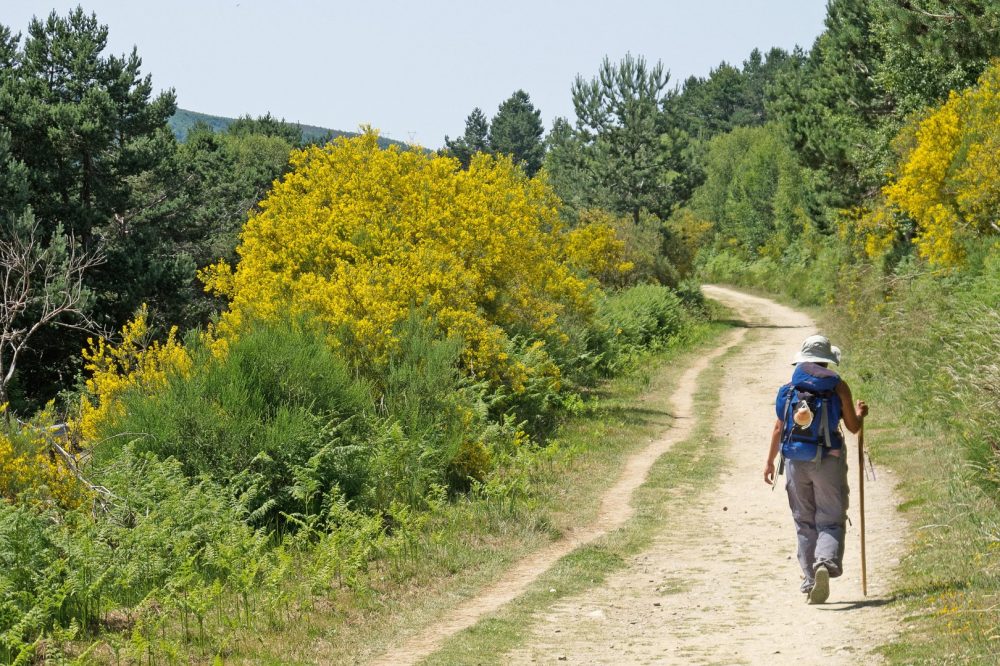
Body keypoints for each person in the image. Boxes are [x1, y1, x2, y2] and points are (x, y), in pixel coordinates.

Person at [763, 334, 868, 604]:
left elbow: (779, 427)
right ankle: (825, 563)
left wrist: (769, 462)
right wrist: (860, 413)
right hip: (829, 461)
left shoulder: (789, 388)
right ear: (827, 360)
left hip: (795, 462)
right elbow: (853, 428)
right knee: (831, 518)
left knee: (804, 520)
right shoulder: (838, 387)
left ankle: (810, 580)